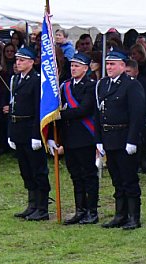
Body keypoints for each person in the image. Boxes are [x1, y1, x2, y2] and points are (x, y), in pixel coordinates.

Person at [95, 49, 146, 230]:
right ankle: (120, 214)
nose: (108, 67)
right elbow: (99, 112)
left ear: (123, 66)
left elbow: (137, 114)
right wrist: (99, 139)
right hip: (109, 138)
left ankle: (133, 216)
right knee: (116, 179)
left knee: (129, 178)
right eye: (107, 64)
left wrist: (132, 140)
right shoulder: (103, 85)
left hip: (125, 137)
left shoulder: (131, 85)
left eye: (113, 64)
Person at [52, 52, 99, 225]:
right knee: (75, 175)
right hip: (69, 138)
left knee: (89, 175)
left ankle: (92, 211)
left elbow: (84, 109)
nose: (73, 69)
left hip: (85, 137)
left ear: (86, 69)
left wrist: (61, 115)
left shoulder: (90, 86)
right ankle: (80, 209)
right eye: (72, 65)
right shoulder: (65, 86)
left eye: (77, 66)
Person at [8, 46, 50, 221]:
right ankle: (32, 204)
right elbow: (12, 106)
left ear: (32, 62)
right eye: (17, 60)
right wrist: (11, 133)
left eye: (22, 60)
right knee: (25, 168)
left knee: (38, 169)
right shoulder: (16, 79)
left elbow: (37, 109)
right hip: (18, 128)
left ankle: (42, 207)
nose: (18, 63)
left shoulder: (36, 81)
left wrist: (36, 135)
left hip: (30, 127)